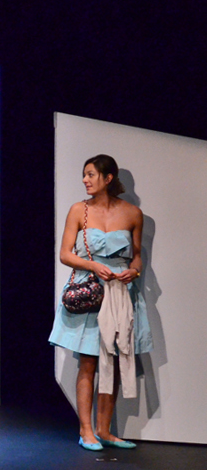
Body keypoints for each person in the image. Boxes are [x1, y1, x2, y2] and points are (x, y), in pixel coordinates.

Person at [49, 155, 153, 451]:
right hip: (91, 290)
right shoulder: (78, 210)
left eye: (91, 174)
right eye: (84, 174)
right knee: (89, 361)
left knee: (115, 360)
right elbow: (65, 254)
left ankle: (105, 430)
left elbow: (137, 257)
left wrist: (134, 271)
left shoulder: (133, 213)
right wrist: (93, 266)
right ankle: (86, 431)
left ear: (108, 178)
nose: (85, 180)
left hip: (120, 292)